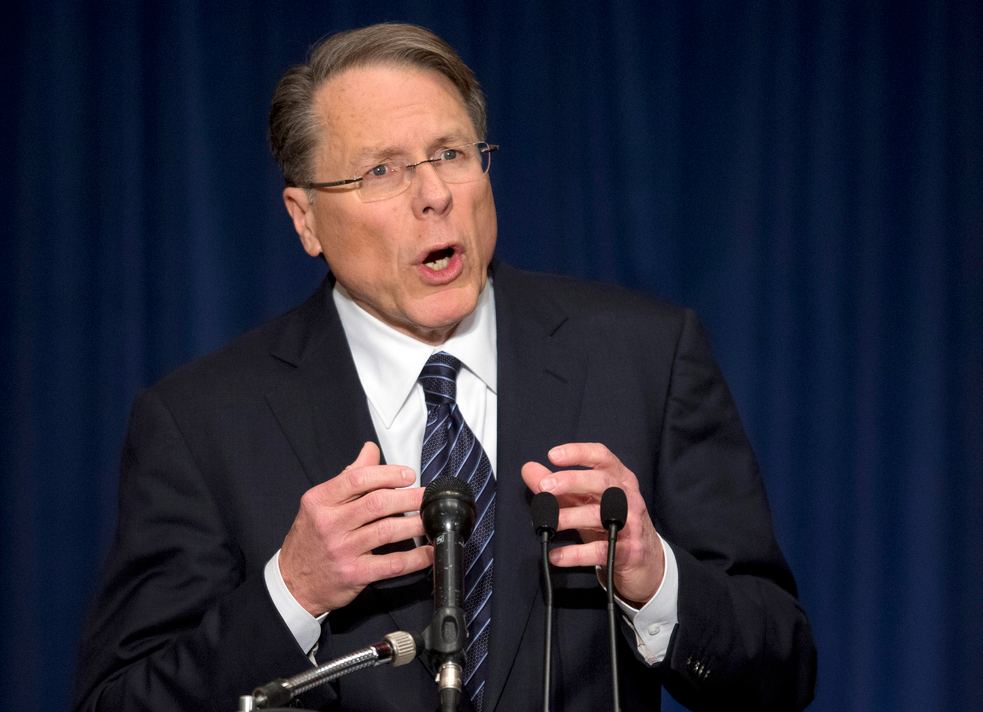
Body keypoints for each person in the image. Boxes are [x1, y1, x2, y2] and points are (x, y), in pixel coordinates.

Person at [74, 23, 816, 712]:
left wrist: (656, 585)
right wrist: (290, 592)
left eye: (453, 154)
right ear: (305, 219)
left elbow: (782, 668)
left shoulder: (646, 358)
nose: (435, 196)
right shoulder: (202, 423)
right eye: (382, 170)